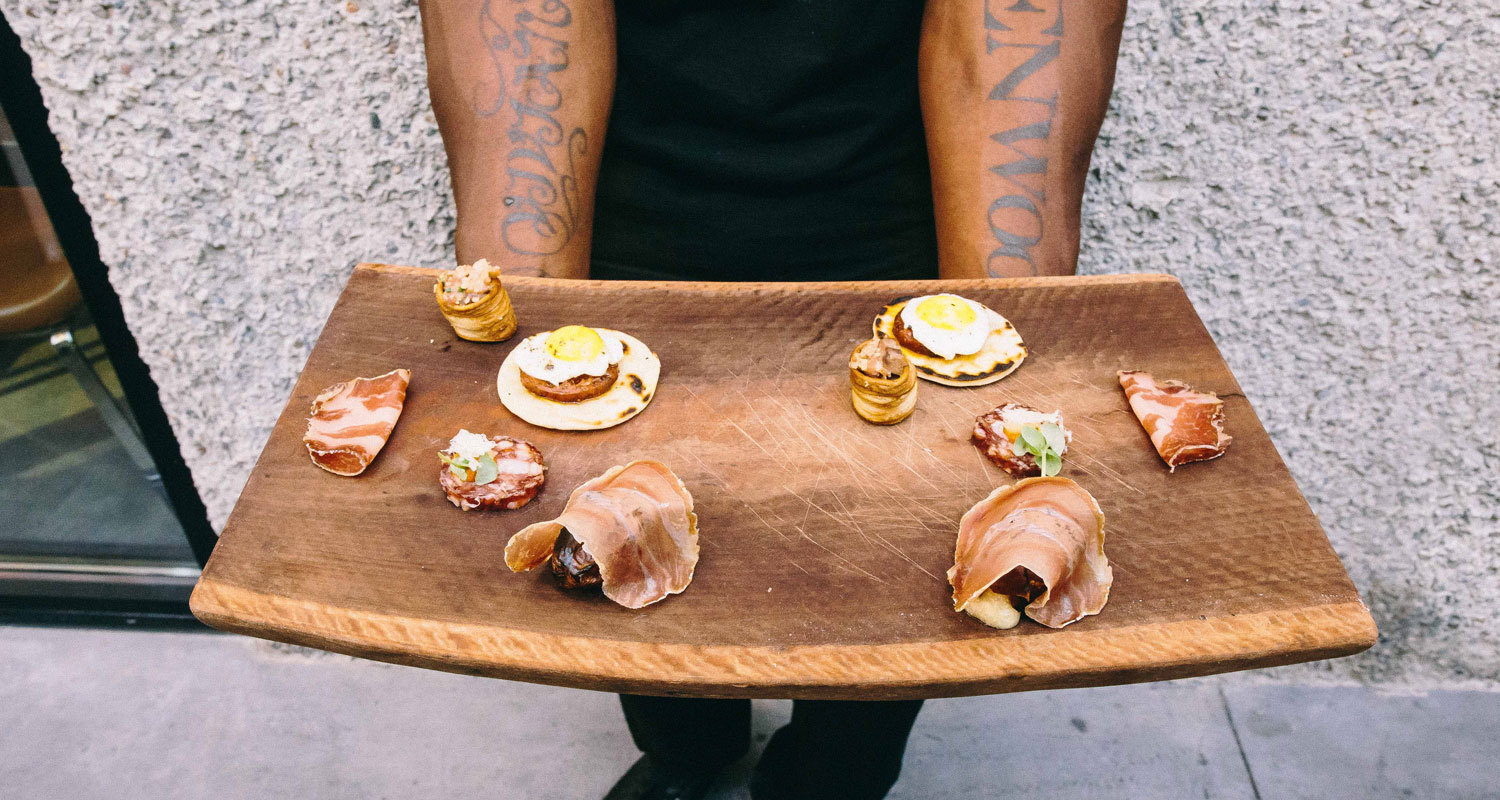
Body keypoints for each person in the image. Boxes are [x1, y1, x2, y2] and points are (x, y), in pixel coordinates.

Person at [418, 1, 1126, 798]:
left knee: (908, 559)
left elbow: (1023, 28)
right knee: (612, 528)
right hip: (624, 211)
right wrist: (531, 340)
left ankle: (832, 780)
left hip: (907, 216)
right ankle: (689, 755)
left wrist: (1000, 334)